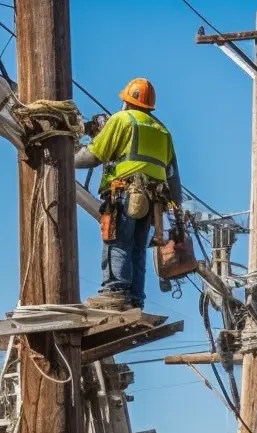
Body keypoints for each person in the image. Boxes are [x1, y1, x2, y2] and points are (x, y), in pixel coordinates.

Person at [74, 77, 183, 312]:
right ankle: (135, 299)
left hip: (125, 194)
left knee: (117, 241)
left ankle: (115, 293)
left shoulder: (122, 119)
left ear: (126, 101)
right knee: (137, 248)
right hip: (153, 202)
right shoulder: (163, 132)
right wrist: (177, 213)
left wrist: (65, 156)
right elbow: (173, 177)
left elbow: (93, 156)